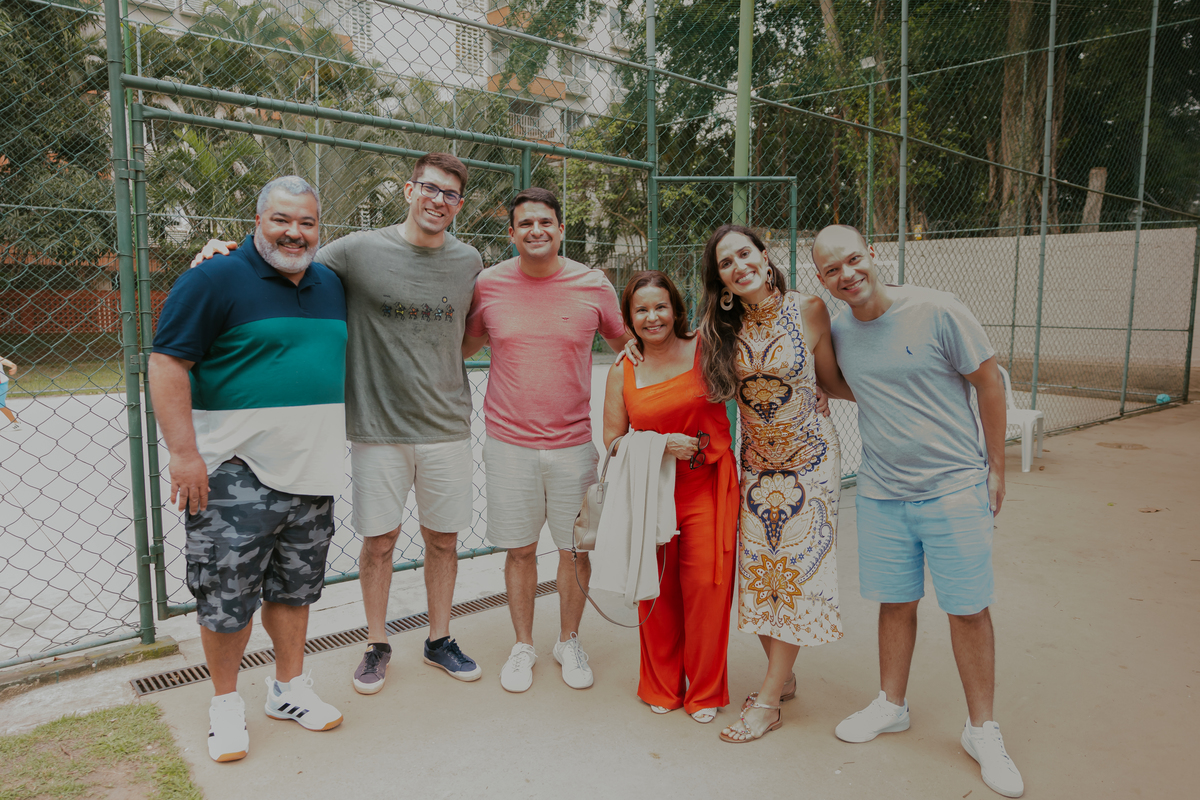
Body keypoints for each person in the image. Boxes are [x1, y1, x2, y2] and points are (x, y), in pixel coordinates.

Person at [193, 153, 486, 693]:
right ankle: (376, 643)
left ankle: (439, 638)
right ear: (408, 190)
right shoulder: (356, 250)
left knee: (444, 540)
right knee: (379, 542)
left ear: (458, 205)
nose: (437, 200)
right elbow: (285, 256)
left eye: (449, 194)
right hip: (377, 428)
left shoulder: (468, 260)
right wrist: (225, 254)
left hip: (447, 426)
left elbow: (471, 334)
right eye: (429, 187)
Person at [813, 224, 1023, 798]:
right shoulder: (837, 332)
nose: (846, 274)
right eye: (831, 270)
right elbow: (838, 386)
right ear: (822, 280)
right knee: (895, 601)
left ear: (873, 254)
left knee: (967, 608)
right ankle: (891, 704)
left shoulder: (938, 309)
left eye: (853, 259)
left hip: (954, 486)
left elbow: (989, 383)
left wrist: (995, 466)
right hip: (883, 492)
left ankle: (983, 730)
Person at [150, 176, 346, 763]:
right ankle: (226, 705)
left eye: (307, 222)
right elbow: (166, 365)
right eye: (281, 220)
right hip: (236, 473)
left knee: (294, 591)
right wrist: (184, 455)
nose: (295, 232)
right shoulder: (211, 278)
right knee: (226, 598)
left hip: (311, 471)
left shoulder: (331, 282)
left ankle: (288, 690)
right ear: (256, 221)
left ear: (320, 228)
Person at [461, 187, 629, 693]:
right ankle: (523, 645)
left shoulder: (593, 284)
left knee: (575, 550)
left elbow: (631, 349)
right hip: (508, 443)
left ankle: (568, 639)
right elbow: (462, 345)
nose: (536, 230)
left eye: (545, 222)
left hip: (574, 444)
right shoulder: (487, 284)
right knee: (519, 550)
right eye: (525, 223)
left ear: (560, 229)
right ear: (511, 233)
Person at [698, 224, 853, 743]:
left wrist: (894, 382)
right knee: (761, 573)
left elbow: (830, 378)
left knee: (793, 572)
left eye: (745, 254)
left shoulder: (809, 308)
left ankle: (767, 701)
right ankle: (782, 676)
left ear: (765, 256)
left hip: (810, 462)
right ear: (719, 278)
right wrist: (633, 346)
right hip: (756, 466)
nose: (738, 266)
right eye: (726, 262)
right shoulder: (720, 327)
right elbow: (672, 351)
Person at [601, 270, 739, 723]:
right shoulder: (624, 369)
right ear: (629, 319)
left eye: (660, 306)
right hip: (651, 493)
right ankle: (661, 686)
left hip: (706, 488)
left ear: (676, 309)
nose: (652, 316)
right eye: (641, 310)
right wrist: (660, 445)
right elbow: (613, 441)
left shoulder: (707, 347)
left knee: (706, 591)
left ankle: (704, 692)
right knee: (656, 594)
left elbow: (759, 370)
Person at [0, 357, 20, 431]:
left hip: (1, 384)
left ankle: (15, 422)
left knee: (1, 405)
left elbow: (3, 360)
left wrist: (13, 366)